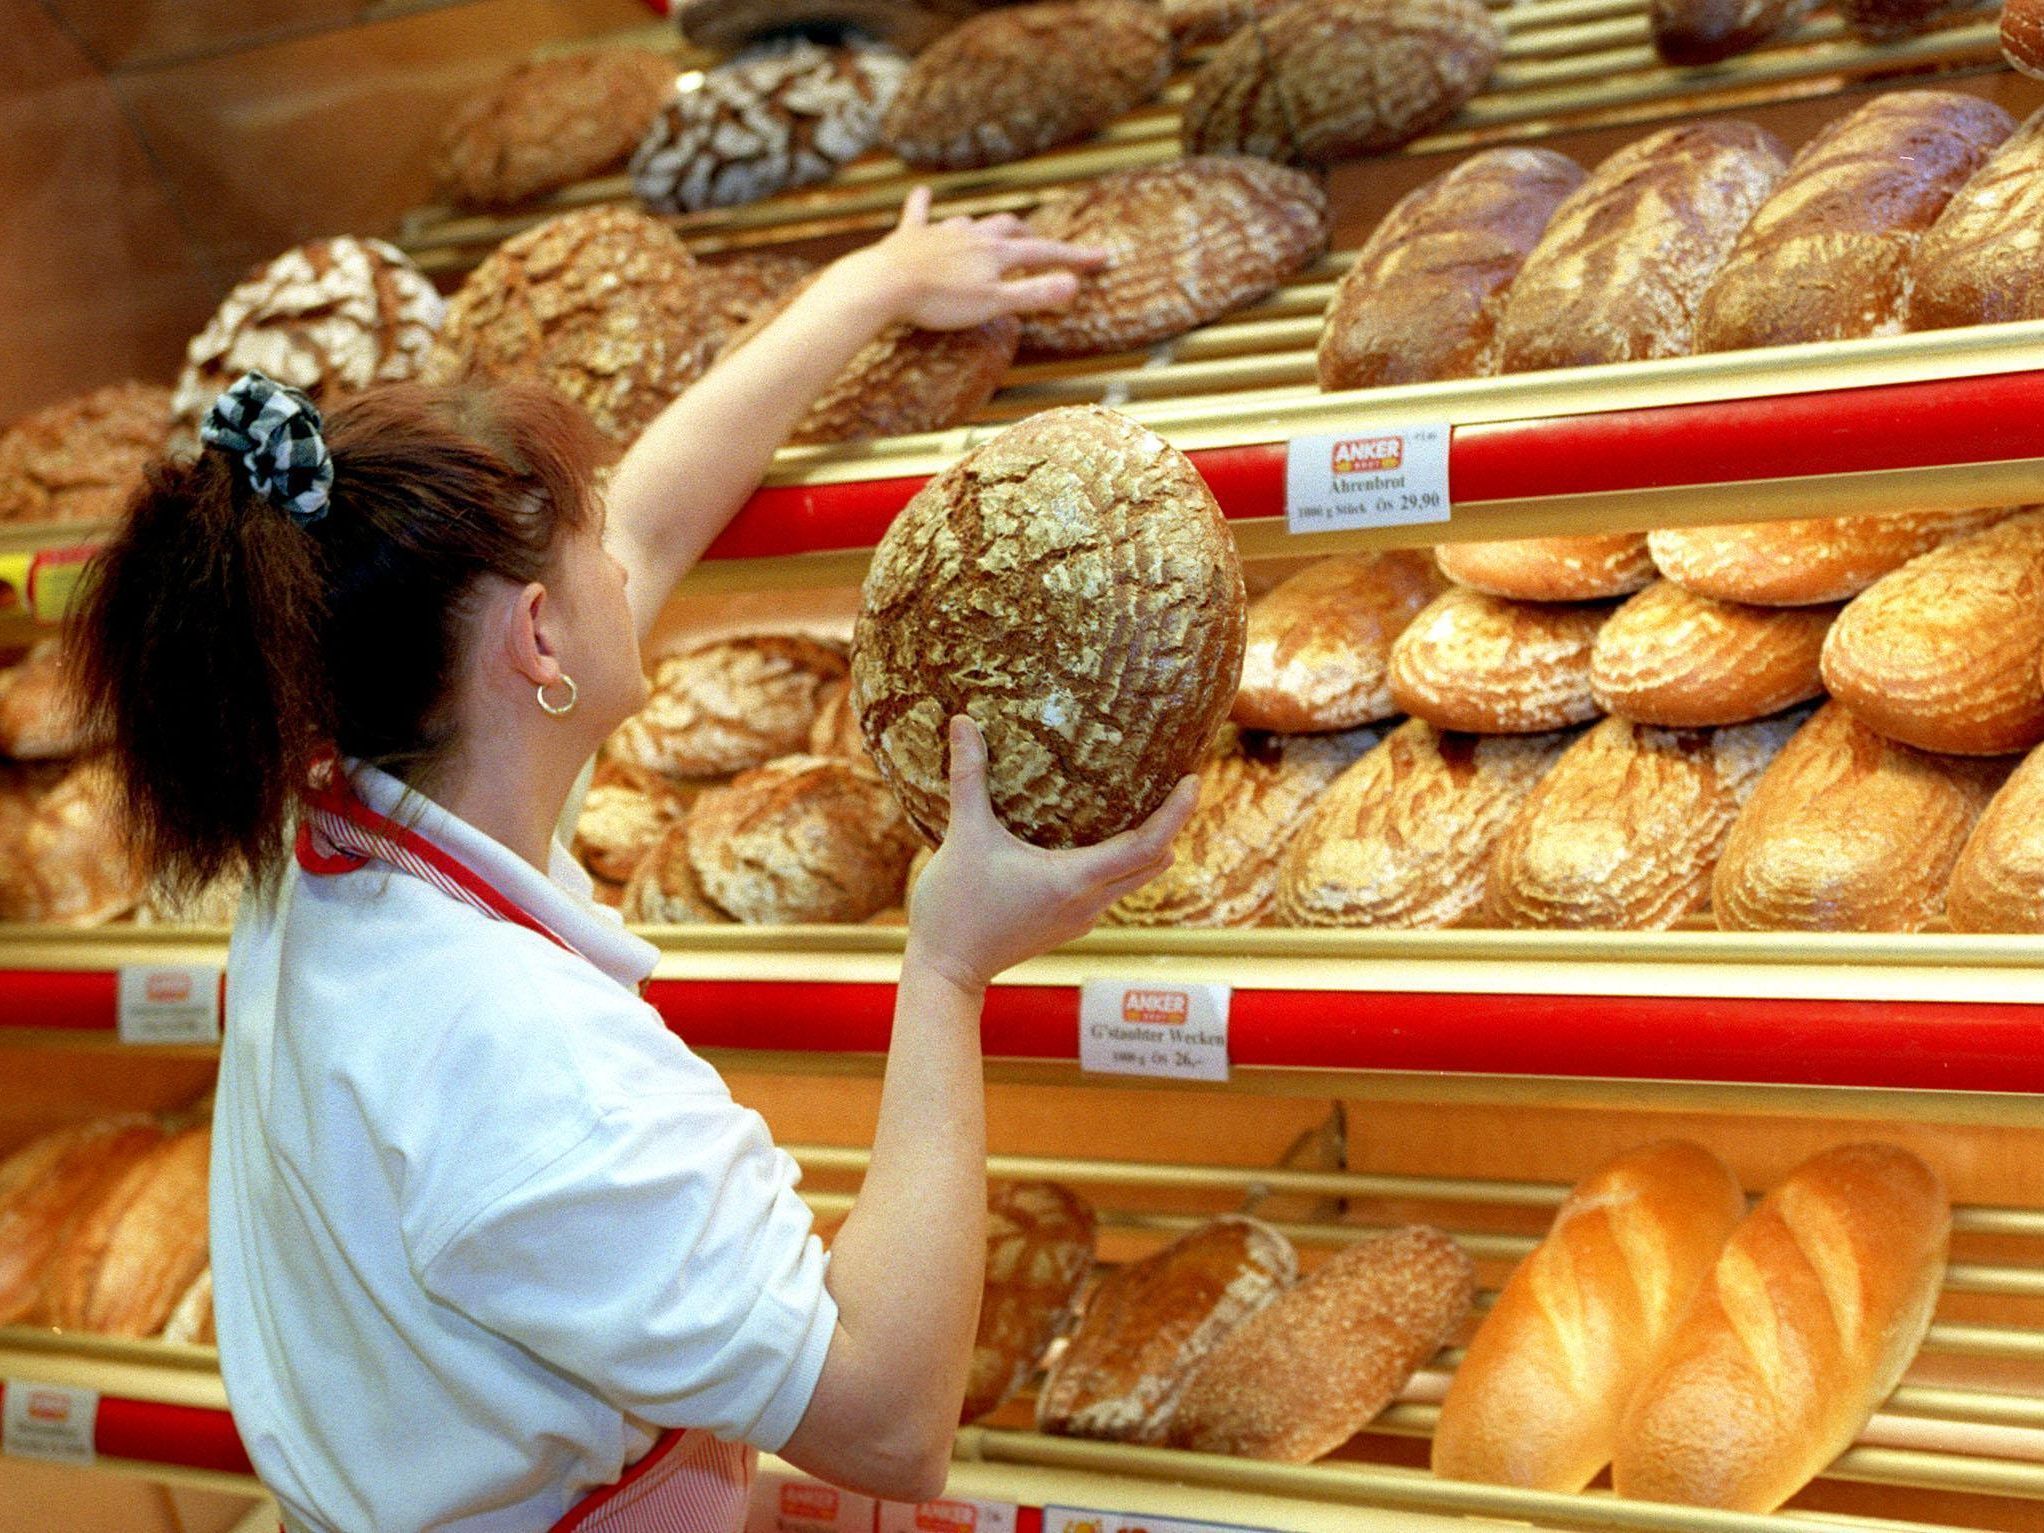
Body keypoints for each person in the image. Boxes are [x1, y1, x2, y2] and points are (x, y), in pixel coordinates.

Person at [71, 191, 1199, 1533]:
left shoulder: (336, 823)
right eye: (587, 542)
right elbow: (891, 1420)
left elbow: (656, 518)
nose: (632, 557)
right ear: (538, 645)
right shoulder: (519, 1060)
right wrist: (949, 966)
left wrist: (867, 287)